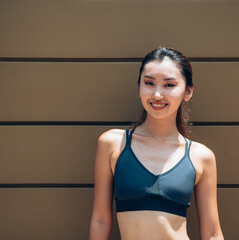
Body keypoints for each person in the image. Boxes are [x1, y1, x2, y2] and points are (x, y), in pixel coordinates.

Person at [89, 47, 224, 240]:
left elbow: (212, 234)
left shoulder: (200, 156)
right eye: (149, 83)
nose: (157, 95)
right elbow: (100, 219)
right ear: (139, 87)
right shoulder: (112, 144)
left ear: (188, 92)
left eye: (169, 85)